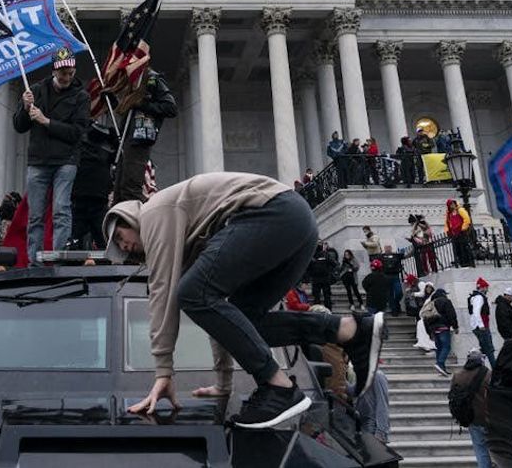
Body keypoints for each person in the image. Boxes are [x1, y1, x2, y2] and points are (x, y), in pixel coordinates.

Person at [102, 172, 386, 429]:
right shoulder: (188, 237)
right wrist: (223, 383)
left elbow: (162, 294)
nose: (123, 247)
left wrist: (163, 371)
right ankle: (348, 330)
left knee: (190, 293)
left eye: (119, 237)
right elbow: (221, 317)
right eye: (119, 249)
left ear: (128, 218)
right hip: (296, 224)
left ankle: (280, 388)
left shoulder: (154, 213)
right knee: (242, 318)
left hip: (272, 214)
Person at [13, 46, 91, 265]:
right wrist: (25, 107)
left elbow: (78, 133)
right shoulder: (36, 91)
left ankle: (59, 260)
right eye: (62, 72)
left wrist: (46, 121)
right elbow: (19, 126)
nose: (66, 76)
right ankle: (34, 262)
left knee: (61, 210)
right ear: (54, 70)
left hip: (66, 161)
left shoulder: (81, 97)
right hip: (38, 160)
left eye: (70, 72)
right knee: (35, 215)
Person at [113, 69, 178, 203]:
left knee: (131, 189)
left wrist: (143, 104)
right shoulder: (130, 80)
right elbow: (125, 110)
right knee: (120, 189)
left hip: (140, 139)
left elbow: (170, 108)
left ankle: (139, 221)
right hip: (126, 140)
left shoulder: (151, 79)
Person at [71, 122, 118, 249]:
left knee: (80, 238)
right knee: (100, 239)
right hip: (93, 196)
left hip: (85, 197)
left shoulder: (80, 143)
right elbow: (118, 155)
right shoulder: (108, 147)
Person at [449, 349, 491, 468]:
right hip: (489, 417)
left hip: (471, 418)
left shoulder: (458, 375)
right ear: (481, 361)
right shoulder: (488, 374)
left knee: (480, 448)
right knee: (493, 449)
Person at [425, 287, 458, 376]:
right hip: (443, 327)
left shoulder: (430, 303)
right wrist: (455, 326)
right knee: (446, 347)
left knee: (439, 348)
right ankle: (440, 363)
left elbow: (426, 318)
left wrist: (429, 332)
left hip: (434, 329)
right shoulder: (446, 301)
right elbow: (452, 314)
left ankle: (442, 368)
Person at [352, 369, 390, 443]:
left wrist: (381, 432)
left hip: (373, 426)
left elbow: (382, 404)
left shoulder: (377, 376)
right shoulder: (364, 376)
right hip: (362, 424)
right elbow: (353, 390)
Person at [467, 277, 496, 368]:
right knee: (489, 349)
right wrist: (481, 325)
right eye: (486, 287)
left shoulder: (476, 297)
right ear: (483, 288)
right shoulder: (479, 297)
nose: (487, 289)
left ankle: (477, 367)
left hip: (479, 326)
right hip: (481, 327)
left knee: (484, 349)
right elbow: (476, 312)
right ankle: (495, 370)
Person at [444, 198, 473, 267]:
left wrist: (463, 228)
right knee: (457, 248)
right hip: (454, 233)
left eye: (453, 204)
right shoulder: (449, 214)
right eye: (450, 204)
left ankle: (467, 262)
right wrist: (448, 231)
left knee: (464, 247)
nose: (452, 205)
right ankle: (461, 261)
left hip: (461, 232)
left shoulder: (460, 210)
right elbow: (447, 223)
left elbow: (467, 219)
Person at [307, 244, 334, 311]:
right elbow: (334, 264)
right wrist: (328, 270)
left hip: (316, 280)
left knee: (317, 297)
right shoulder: (326, 255)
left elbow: (308, 268)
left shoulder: (312, 256)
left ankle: (317, 311)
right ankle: (328, 310)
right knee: (327, 296)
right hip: (325, 279)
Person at [379, 245, 404, 316]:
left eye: (389, 248)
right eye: (386, 248)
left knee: (399, 292)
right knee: (389, 294)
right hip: (386, 276)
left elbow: (406, 255)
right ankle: (394, 309)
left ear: (391, 248)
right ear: (384, 249)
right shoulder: (381, 257)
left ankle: (396, 303)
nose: (387, 249)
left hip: (395, 275)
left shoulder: (396, 255)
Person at [412, 282, 437, 353]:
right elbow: (419, 294)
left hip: (430, 317)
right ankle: (424, 343)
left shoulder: (433, 296)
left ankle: (430, 345)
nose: (428, 289)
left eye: (430, 287)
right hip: (424, 317)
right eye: (427, 287)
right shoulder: (424, 296)